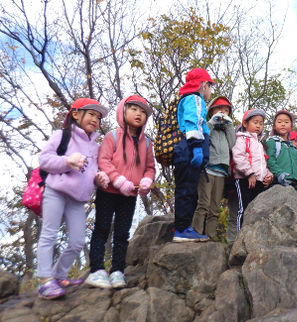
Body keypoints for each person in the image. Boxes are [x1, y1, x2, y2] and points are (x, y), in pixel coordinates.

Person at [37, 98, 109, 299]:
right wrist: (67, 161)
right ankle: (45, 280)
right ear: (76, 114)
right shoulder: (63, 136)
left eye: (98, 117)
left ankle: (59, 276)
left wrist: (98, 178)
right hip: (56, 191)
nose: (95, 119)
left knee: (77, 241)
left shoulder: (95, 146)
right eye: (91, 114)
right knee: (49, 234)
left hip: (78, 199)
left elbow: (91, 172)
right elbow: (44, 160)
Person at [86, 95, 155, 289]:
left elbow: (150, 167)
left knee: (122, 233)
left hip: (130, 196)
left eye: (143, 112)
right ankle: (96, 270)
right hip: (108, 191)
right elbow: (104, 161)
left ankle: (117, 271)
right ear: (122, 112)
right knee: (101, 229)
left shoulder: (147, 143)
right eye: (134, 109)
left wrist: (147, 181)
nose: (139, 114)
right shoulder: (112, 136)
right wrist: (119, 180)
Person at [172, 68, 214, 242]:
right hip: (189, 152)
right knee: (187, 191)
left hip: (185, 153)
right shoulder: (195, 99)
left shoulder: (186, 98)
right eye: (210, 86)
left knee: (187, 190)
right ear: (203, 84)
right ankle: (182, 230)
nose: (210, 91)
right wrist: (197, 146)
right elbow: (193, 121)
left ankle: (183, 227)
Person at [191, 96, 235, 240]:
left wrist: (229, 125)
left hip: (222, 171)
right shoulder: (207, 125)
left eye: (226, 110)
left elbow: (233, 144)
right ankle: (196, 233)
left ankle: (210, 236)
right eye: (219, 109)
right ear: (211, 111)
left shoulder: (226, 129)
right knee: (203, 203)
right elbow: (202, 135)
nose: (223, 112)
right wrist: (212, 121)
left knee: (215, 207)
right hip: (207, 169)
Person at [232, 109, 273, 231]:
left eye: (261, 123)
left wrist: (269, 176)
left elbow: (263, 163)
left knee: (257, 211)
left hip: (259, 181)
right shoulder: (241, 139)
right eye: (255, 122)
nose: (259, 126)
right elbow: (238, 157)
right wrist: (249, 174)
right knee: (244, 209)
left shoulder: (260, 144)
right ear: (245, 124)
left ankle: (253, 238)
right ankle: (240, 237)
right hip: (244, 179)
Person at [265, 110, 297, 194]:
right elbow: (270, 161)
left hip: (295, 184)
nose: (283, 124)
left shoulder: (293, 148)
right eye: (279, 122)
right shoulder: (272, 142)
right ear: (274, 126)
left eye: (286, 122)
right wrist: (280, 174)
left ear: (291, 126)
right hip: (278, 183)